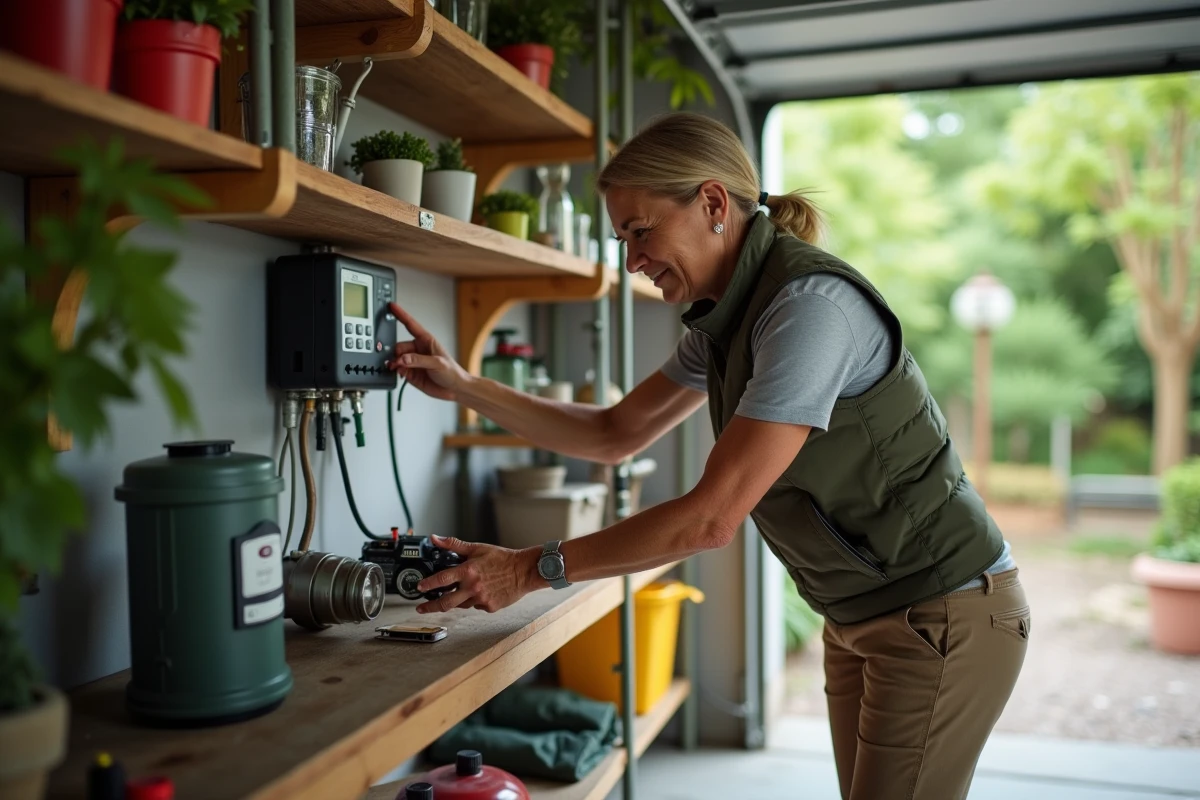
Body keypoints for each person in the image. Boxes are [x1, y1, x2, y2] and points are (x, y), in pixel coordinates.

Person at [384, 112, 1029, 800]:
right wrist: (465, 386)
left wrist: (528, 570)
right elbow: (613, 433)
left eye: (640, 231)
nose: (632, 259)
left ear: (714, 204)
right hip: (860, 618)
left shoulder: (808, 309)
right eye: (622, 238)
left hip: (943, 607)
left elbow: (710, 519)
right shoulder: (724, 320)